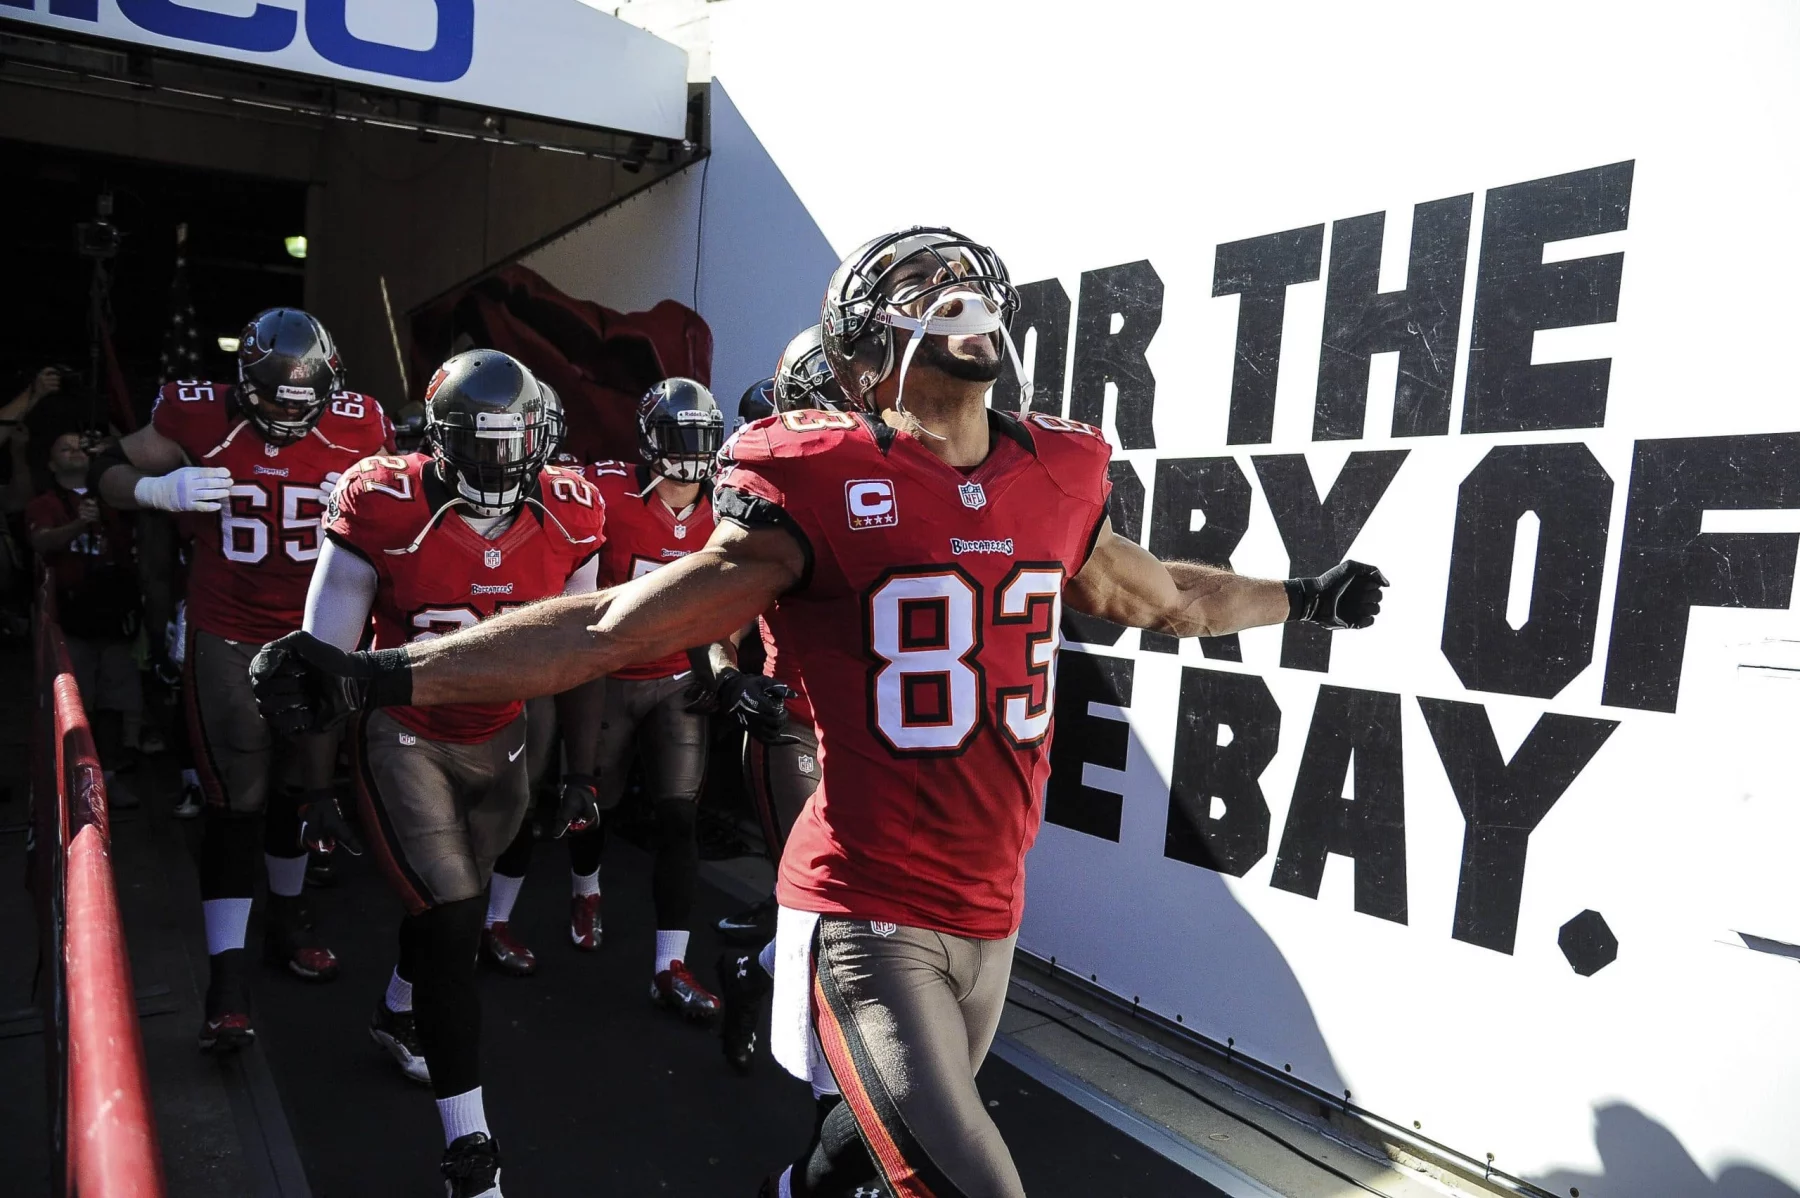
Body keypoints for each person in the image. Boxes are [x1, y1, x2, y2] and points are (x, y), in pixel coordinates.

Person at [248, 226, 1388, 1198]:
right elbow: (613, 627)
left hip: (994, 910)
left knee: (851, 1160)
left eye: (960, 276)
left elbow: (1166, 596)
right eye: (913, 286)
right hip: (873, 911)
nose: (952, 293)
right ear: (860, 358)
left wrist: (1306, 598)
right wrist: (379, 676)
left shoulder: (1057, 471)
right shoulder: (822, 478)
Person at [305, 349, 602, 1197]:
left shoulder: (576, 510)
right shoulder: (384, 498)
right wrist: (315, 784)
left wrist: (579, 773)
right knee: (454, 912)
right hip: (406, 734)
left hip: (504, 733)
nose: (503, 464)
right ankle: (470, 1151)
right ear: (440, 440)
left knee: (447, 915)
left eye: (518, 443)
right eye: (483, 443)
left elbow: (586, 647)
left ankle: (395, 1008)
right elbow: (324, 656)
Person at [93, 307, 392, 1052]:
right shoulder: (196, 414)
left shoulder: (363, 425)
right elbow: (104, 470)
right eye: (274, 400)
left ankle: (286, 923)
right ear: (244, 386)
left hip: (316, 634)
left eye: (307, 401)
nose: (292, 417)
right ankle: (226, 974)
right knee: (237, 798)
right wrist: (157, 491)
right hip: (226, 628)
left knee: (302, 787)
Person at [481, 378, 729, 1024]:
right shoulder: (604, 490)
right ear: (649, 441)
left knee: (679, 819)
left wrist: (715, 659)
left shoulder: (726, 503)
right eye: (681, 441)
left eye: (703, 441)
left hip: (676, 676)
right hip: (608, 674)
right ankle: (566, 896)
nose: (693, 457)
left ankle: (668, 963)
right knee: (581, 797)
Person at [27, 431, 144, 807]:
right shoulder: (44, 503)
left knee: (114, 699)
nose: (75, 451)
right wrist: (79, 524)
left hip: (114, 615)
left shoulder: (113, 497)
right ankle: (74, 782)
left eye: (81, 446)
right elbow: (41, 542)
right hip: (69, 619)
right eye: (65, 447)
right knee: (78, 702)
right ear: (50, 463)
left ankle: (107, 780)